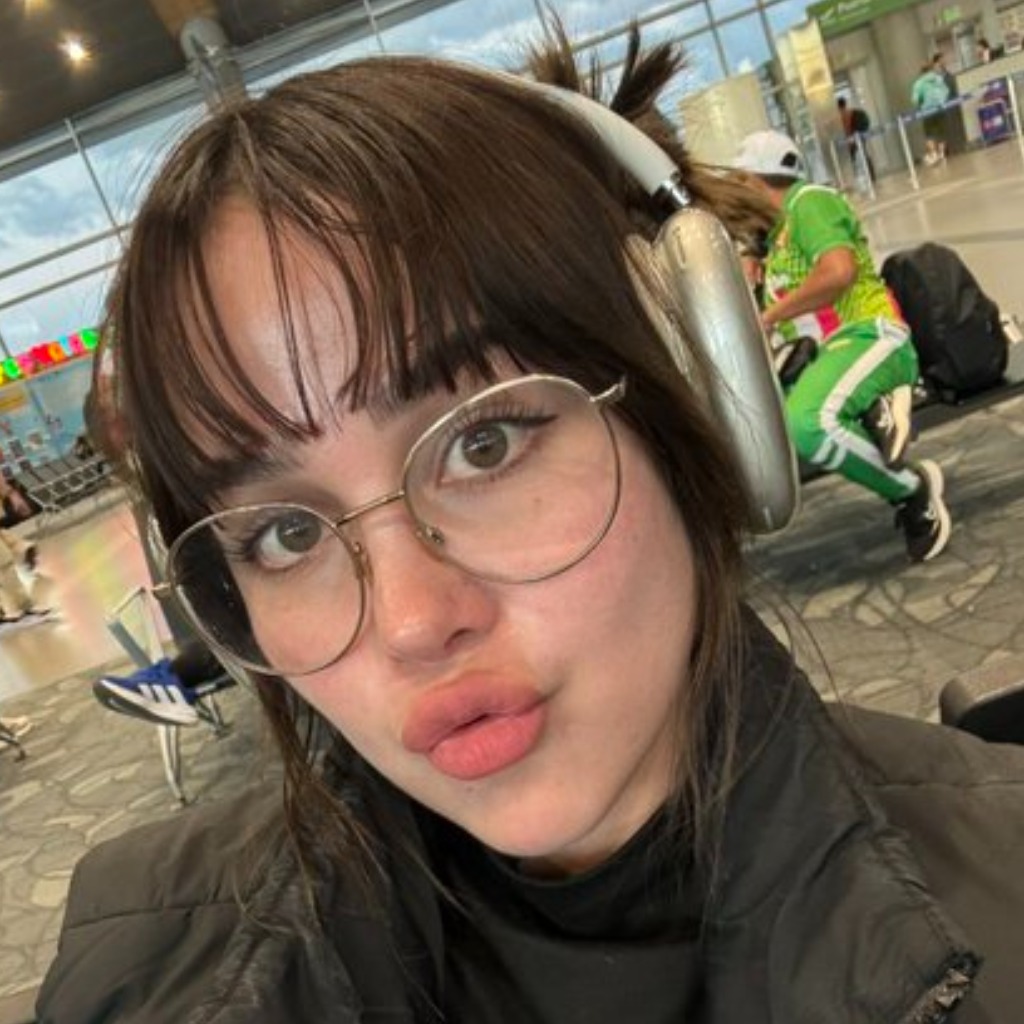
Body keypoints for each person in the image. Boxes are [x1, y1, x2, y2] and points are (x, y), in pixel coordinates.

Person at [37, 29, 1024, 1024]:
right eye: (284, 535)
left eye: (484, 444)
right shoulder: (131, 976)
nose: (414, 623)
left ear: (694, 395)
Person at [734, 129, 950, 563]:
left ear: (755, 179)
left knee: (807, 423)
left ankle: (910, 490)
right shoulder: (774, 237)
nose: (735, 193)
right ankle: (873, 405)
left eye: (739, 182)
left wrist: (770, 315)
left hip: (868, 334)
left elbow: (838, 272)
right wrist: (751, 255)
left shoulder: (808, 202)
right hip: (822, 357)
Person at [913, 60, 951, 165]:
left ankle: (934, 154)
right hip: (940, 108)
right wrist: (941, 100)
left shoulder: (919, 83)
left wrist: (921, 102)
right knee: (942, 132)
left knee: (929, 134)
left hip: (927, 111)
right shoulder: (938, 79)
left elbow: (915, 100)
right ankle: (942, 154)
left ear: (921, 72)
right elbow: (946, 91)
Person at [836, 96, 874, 182]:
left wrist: (849, 141)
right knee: (863, 154)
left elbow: (848, 128)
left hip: (854, 138)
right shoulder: (851, 111)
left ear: (838, 107)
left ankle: (860, 177)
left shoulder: (844, 114)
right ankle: (871, 175)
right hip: (860, 135)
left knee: (854, 157)